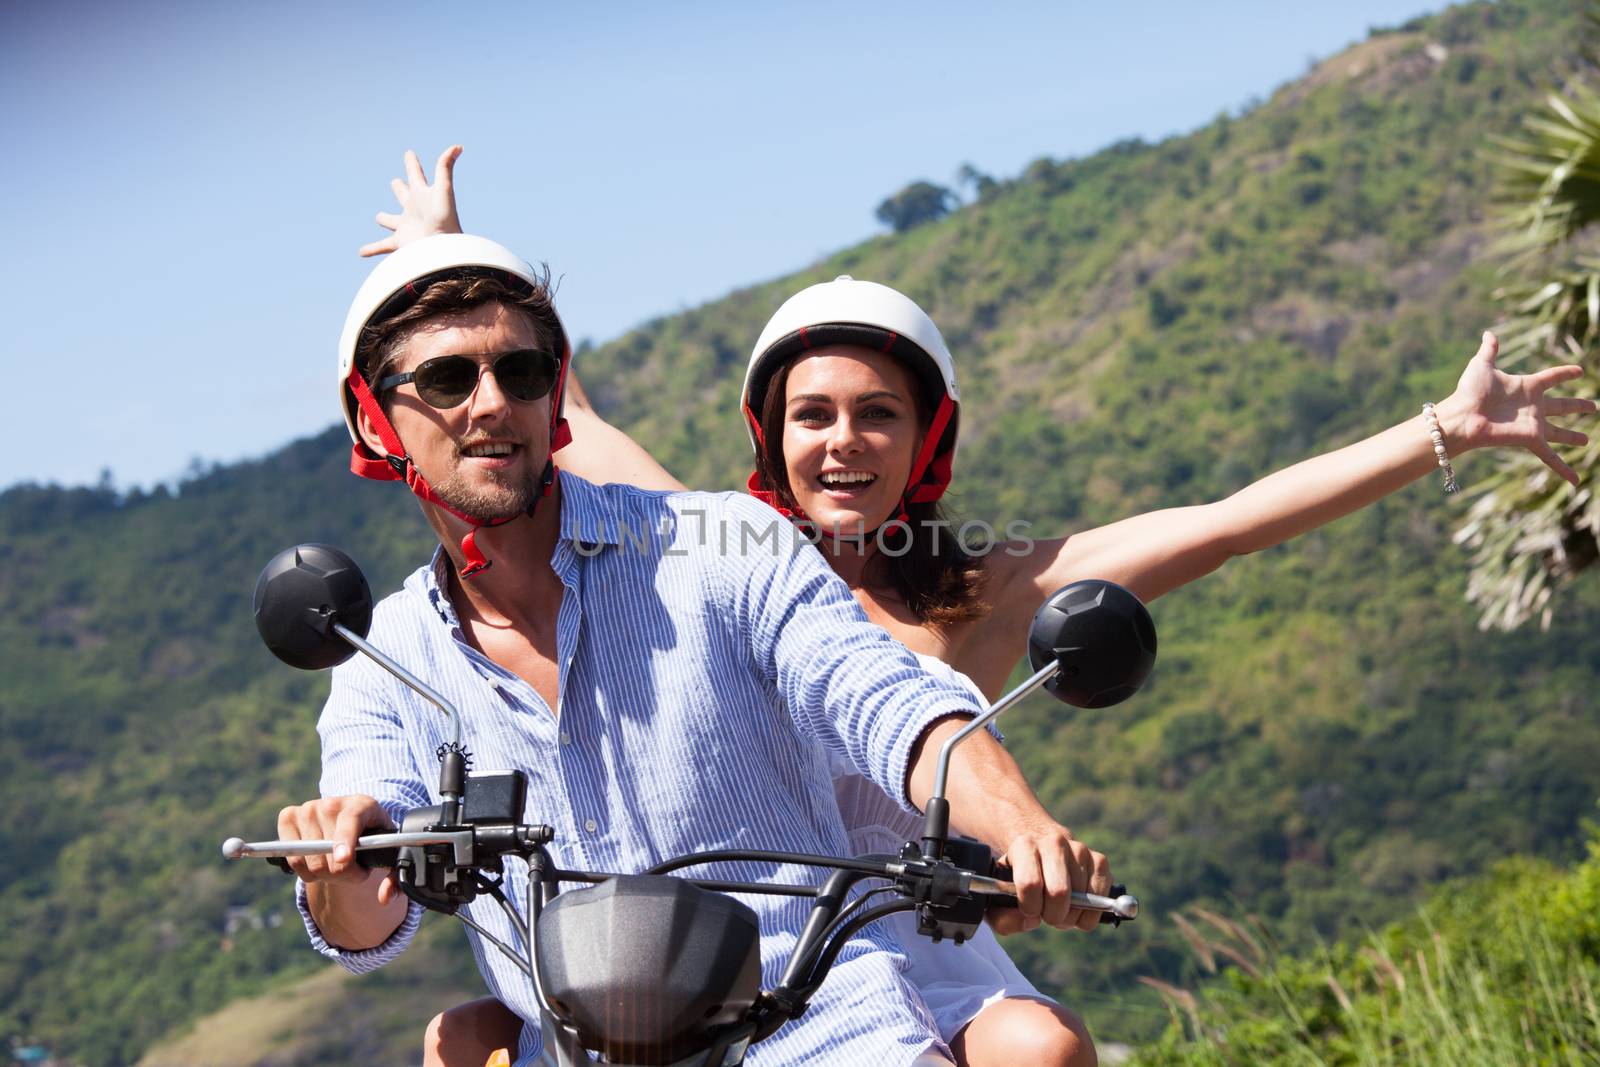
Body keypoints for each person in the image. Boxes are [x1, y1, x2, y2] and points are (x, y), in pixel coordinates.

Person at [367, 146, 1598, 1067]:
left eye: (878, 414)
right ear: (769, 436)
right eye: (812, 415)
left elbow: (1233, 517)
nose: (842, 443)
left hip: (900, 944)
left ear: (926, 440)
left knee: (1039, 1051)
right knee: (476, 1030)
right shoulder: (707, 557)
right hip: (718, 949)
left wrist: (1442, 430)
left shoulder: (990, 589)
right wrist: (454, 259)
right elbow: (549, 409)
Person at [280, 226, 1118, 1067]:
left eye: (523, 372)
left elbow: (884, 696)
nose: (492, 402)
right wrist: (341, 866)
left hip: (816, 1027)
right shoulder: (385, 654)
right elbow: (370, 922)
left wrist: (1021, 825)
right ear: (372, 416)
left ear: (554, 395)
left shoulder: (723, 544)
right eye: (448, 377)